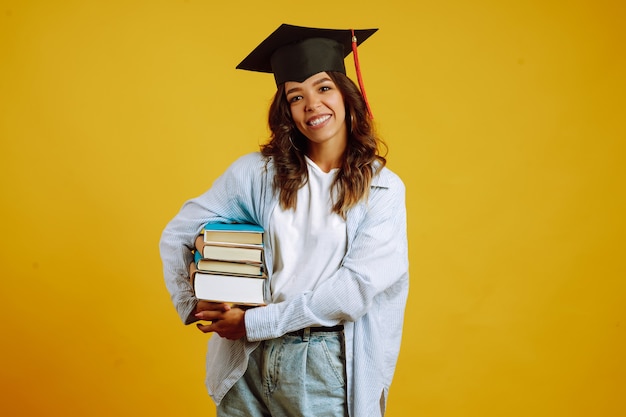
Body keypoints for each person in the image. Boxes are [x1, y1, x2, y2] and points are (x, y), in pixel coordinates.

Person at [159, 23, 409, 417]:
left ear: (346, 94)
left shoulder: (382, 189)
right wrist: (197, 304)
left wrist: (254, 323)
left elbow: (354, 289)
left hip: (322, 363)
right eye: (296, 96)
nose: (312, 104)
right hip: (246, 362)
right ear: (287, 110)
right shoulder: (258, 174)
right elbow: (179, 232)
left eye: (323, 88)